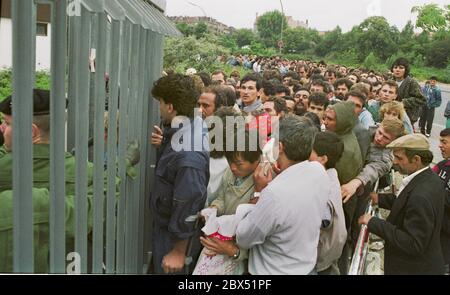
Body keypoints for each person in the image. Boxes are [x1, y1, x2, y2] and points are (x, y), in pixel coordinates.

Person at [236, 115, 330, 275]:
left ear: (279, 147)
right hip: (307, 267)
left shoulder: (274, 194)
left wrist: (259, 192)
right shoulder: (319, 171)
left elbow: (245, 238)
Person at [359, 134, 446, 274]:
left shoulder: (421, 196)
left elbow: (413, 242)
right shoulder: (430, 178)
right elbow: (406, 203)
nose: (395, 162)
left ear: (416, 159)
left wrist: (373, 222)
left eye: (400, 158)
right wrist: (380, 199)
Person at [150, 74, 210, 274]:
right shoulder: (191, 124)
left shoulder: (188, 156)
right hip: (169, 227)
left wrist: (178, 250)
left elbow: (190, 200)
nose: (159, 107)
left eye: (160, 102)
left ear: (170, 107)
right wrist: (166, 139)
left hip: (174, 237)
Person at [199, 129, 262, 274]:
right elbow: (222, 196)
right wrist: (214, 208)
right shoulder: (231, 172)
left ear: (256, 159)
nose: (232, 167)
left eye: (239, 164)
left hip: (242, 256)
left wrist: (234, 252)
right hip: (221, 242)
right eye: (230, 162)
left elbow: (257, 233)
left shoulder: (263, 182)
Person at [310, 131, 347, 275]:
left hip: (320, 257)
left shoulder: (325, 185)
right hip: (328, 253)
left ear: (323, 159)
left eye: (310, 152)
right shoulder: (331, 174)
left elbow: (323, 219)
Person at [432, 128, 450, 274]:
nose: (440, 145)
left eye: (444, 142)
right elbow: (427, 179)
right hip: (436, 230)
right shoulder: (443, 165)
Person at [390, 58, 426, 127]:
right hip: (391, 116)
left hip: (406, 119)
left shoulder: (411, 82)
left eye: (401, 68)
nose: (397, 70)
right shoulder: (390, 81)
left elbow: (422, 99)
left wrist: (403, 102)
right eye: (395, 67)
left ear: (406, 70)